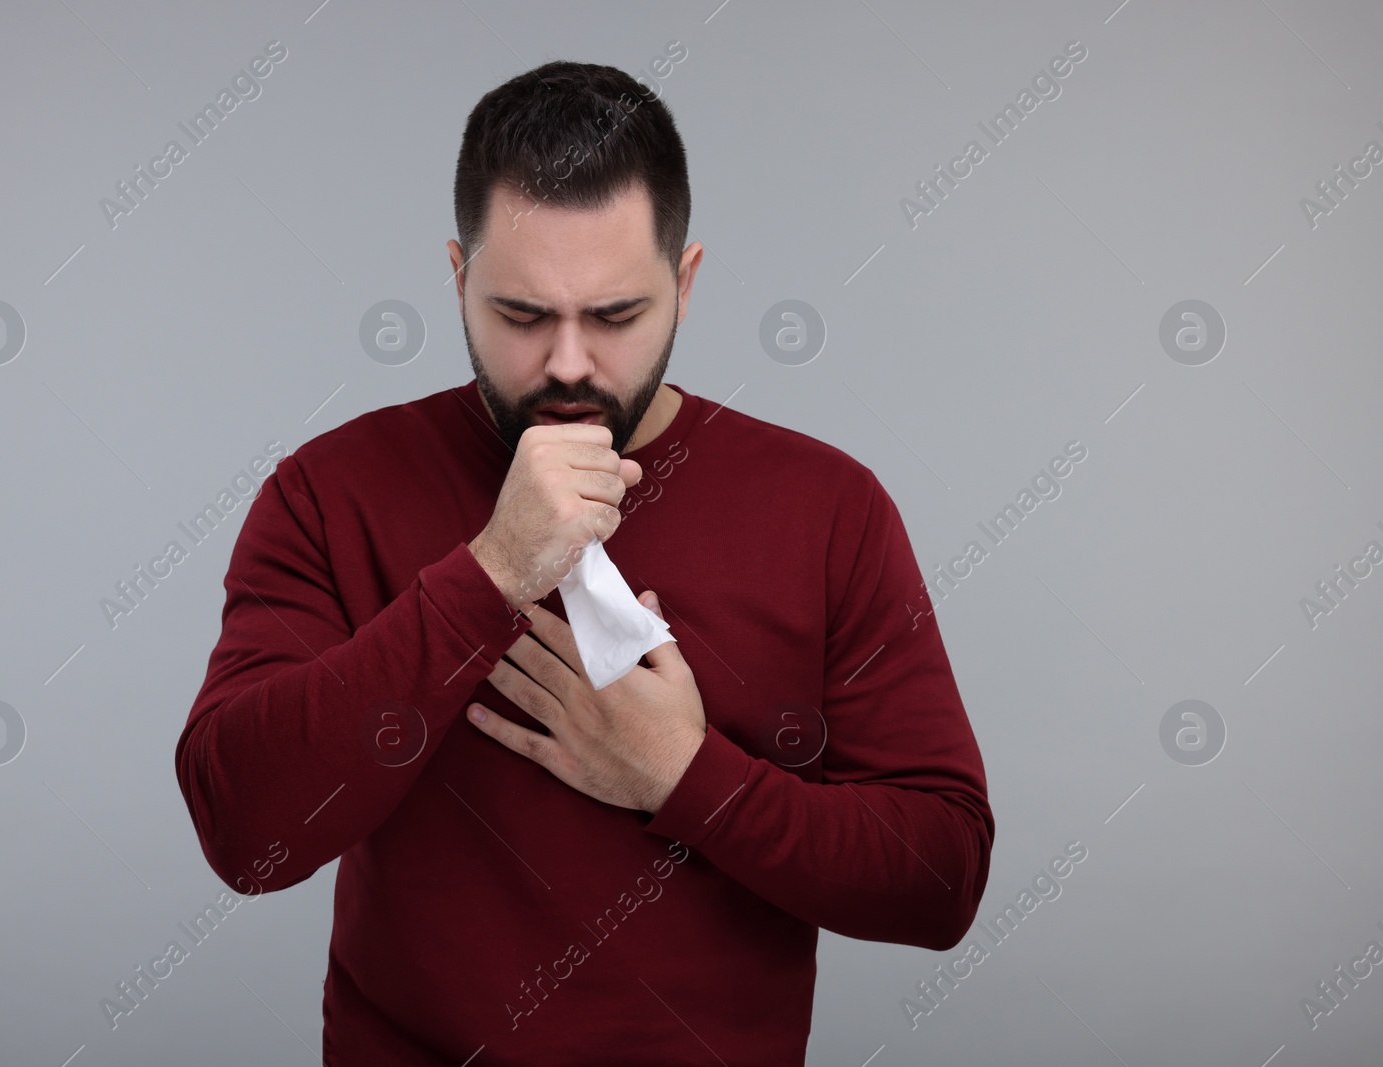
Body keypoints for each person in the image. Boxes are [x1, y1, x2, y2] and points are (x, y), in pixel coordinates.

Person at [175, 59, 993, 1065]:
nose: (567, 361)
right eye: (522, 316)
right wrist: (490, 570)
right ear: (458, 275)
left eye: (613, 316)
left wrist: (685, 775)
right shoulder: (328, 489)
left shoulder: (828, 508)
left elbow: (940, 877)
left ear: (685, 283)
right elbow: (243, 828)